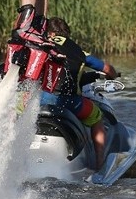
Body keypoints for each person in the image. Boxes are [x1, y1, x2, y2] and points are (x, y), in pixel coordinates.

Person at [45, 17, 120, 171]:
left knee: (16, 111)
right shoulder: (79, 52)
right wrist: (112, 75)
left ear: (49, 33)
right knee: (97, 116)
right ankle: (100, 166)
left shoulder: (40, 45)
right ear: (66, 34)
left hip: (40, 99)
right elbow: (107, 69)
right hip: (68, 102)